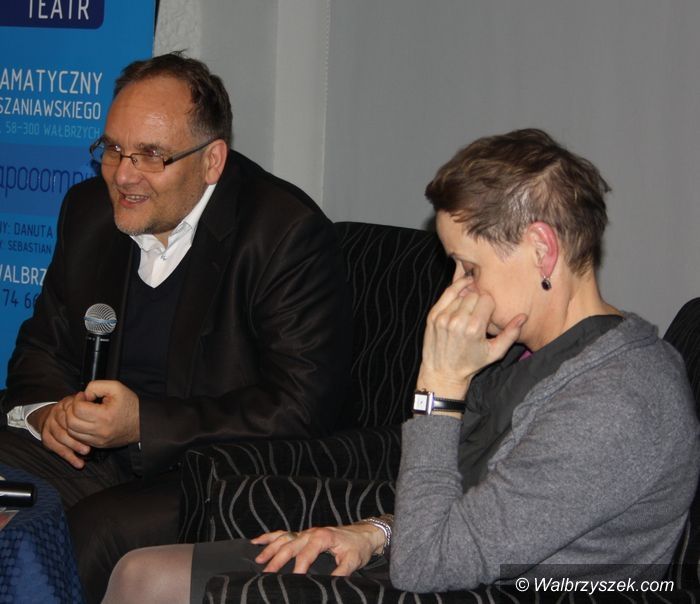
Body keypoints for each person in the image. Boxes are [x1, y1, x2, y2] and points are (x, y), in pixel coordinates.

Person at [101, 128, 699, 603]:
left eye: (469, 268)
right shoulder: (529, 351)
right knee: (140, 572)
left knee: (152, 583)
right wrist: (376, 532)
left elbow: (432, 562)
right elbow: (472, 509)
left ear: (542, 249)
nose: (456, 290)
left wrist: (439, 388)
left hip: (482, 589)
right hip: (445, 569)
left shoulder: (615, 402)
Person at [0, 52, 351, 603]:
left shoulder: (284, 235)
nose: (123, 175)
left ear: (212, 161)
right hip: (91, 453)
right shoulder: (89, 210)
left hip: (212, 471)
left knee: (89, 532)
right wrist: (50, 412)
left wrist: (144, 424)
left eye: (151, 155)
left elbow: (300, 407)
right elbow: (41, 348)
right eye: (113, 149)